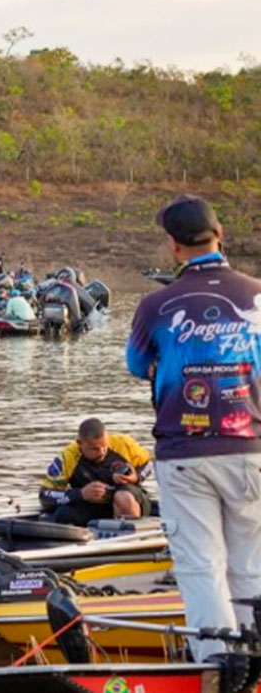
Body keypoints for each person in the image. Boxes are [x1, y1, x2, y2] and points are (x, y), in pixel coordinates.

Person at [126, 193, 261, 659]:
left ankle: (220, 664)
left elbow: (135, 363)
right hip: (251, 447)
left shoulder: (155, 305)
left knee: (202, 566)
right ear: (220, 235)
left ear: (173, 246)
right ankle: (254, 657)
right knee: (251, 564)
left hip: (184, 453)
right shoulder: (258, 294)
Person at [39, 417, 153, 526]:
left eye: (104, 446)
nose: (102, 452)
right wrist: (81, 494)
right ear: (80, 444)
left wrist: (137, 477)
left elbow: (150, 463)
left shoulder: (123, 444)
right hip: (92, 506)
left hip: (128, 498)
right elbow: (45, 495)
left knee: (122, 497)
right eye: (94, 449)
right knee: (63, 514)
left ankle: (130, 536)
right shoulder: (68, 457)